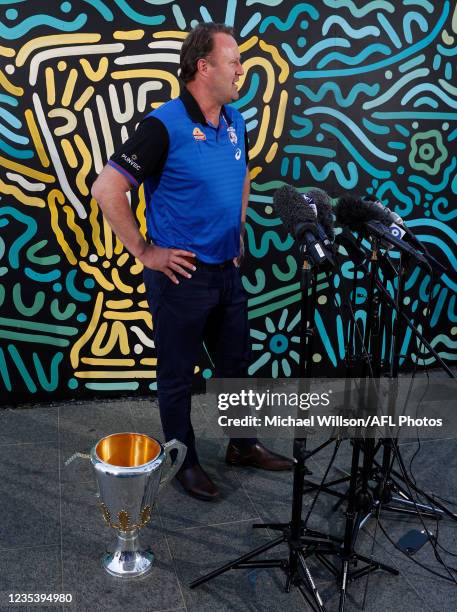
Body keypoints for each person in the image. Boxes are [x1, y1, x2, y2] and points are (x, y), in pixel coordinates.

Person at [91, 22, 292, 501]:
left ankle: (243, 446)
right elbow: (106, 188)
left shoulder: (236, 120)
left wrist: (237, 229)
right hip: (181, 277)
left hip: (227, 271)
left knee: (237, 367)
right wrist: (145, 251)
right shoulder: (164, 126)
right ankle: (183, 460)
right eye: (233, 62)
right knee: (179, 376)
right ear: (203, 67)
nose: (241, 70)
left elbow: (242, 177)